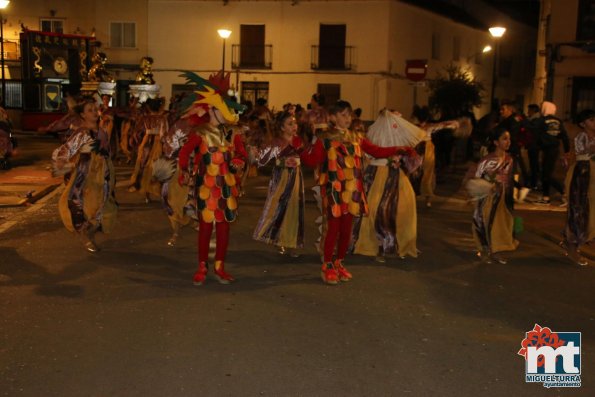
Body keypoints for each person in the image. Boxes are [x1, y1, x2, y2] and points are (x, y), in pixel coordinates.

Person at [301, 100, 416, 285]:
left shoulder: (356, 137)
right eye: (343, 115)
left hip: (353, 190)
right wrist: (302, 146)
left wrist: (400, 149)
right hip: (334, 190)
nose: (348, 118)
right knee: (333, 229)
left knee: (347, 230)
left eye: (349, 115)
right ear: (333, 117)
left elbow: (377, 151)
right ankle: (328, 265)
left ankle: (339, 262)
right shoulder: (325, 138)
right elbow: (311, 160)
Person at [177, 70, 247, 285]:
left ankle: (220, 266)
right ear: (212, 109)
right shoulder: (200, 133)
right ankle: (202, 266)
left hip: (226, 186)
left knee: (224, 227)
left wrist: (238, 161)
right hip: (205, 185)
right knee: (206, 226)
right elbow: (184, 152)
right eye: (221, 107)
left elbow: (242, 154)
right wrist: (183, 170)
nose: (226, 111)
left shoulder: (232, 134)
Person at [351, 109, 424, 262]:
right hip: (377, 175)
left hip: (393, 175)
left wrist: (400, 159)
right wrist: (398, 153)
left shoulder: (388, 136)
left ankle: (395, 244)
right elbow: (375, 152)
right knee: (377, 210)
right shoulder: (370, 135)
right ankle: (380, 245)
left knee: (400, 208)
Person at [51, 98, 117, 252]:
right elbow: (67, 149)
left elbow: (107, 151)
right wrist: (61, 161)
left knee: (102, 203)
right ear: (82, 115)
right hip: (85, 172)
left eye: (95, 109)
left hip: (103, 172)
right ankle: (84, 236)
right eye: (90, 110)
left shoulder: (102, 131)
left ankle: (91, 230)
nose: (94, 112)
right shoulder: (81, 133)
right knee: (78, 202)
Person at [253, 111, 305, 257]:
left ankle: (290, 243)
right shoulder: (276, 142)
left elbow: (307, 156)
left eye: (295, 123)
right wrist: (257, 153)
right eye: (290, 124)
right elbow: (262, 160)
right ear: (282, 128)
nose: (294, 126)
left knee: (294, 210)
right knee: (279, 208)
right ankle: (277, 239)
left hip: (296, 177)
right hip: (281, 177)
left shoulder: (299, 141)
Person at [466, 127, 518, 264]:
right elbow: (476, 177)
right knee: (483, 222)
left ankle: (496, 251)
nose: (508, 142)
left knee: (500, 224)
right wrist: (487, 186)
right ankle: (483, 250)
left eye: (509, 139)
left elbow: (509, 179)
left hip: (502, 197)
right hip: (487, 197)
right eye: (504, 138)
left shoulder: (510, 159)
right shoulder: (487, 160)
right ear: (496, 142)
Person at [562, 109, 595, 266]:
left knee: (591, 210)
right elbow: (583, 152)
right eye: (591, 120)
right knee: (578, 210)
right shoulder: (581, 136)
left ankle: (584, 240)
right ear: (583, 124)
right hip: (582, 174)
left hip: (592, 175)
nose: (594, 123)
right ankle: (572, 246)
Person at [128, 97, 169, 202]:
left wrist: (138, 141)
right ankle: (159, 191)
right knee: (157, 167)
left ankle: (146, 194)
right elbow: (165, 133)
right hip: (157, 142)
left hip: (146, 142)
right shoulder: (162, 118)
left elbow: (137, 131)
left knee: (144, 165)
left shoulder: (144, 118)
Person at [536, 101, 570, 205]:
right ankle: (546, 197)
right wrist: (567, 150)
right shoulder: (558, 121)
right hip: (555, 149)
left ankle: (563, 192)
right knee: (546, 173)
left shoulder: (541, 121)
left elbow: (536, 133)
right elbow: (564, 136)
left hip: (547, 149)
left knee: (546, 174)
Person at [521, 104, 542, 190]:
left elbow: (531, 129)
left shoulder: (536, 120)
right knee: (533, 164)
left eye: (529, 110)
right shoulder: (533, 120)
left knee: (534, 165)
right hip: (532, 145)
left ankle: (534, 183)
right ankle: (534, 182)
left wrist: (525, 121)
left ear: (533, 111)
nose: (528, 112)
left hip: (534, 146)